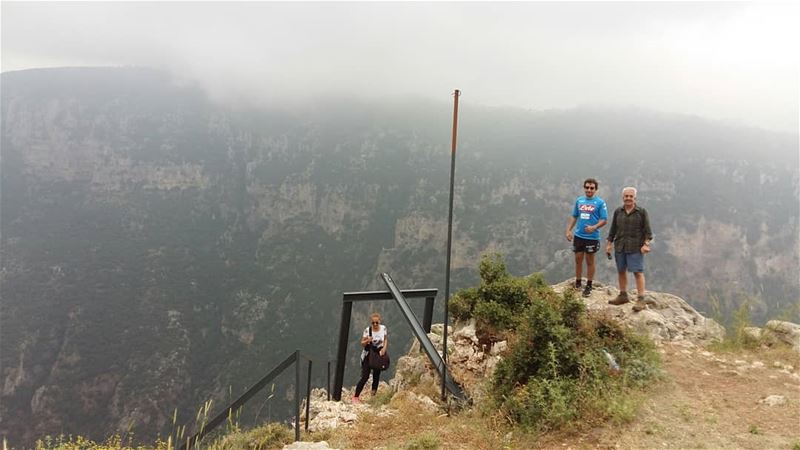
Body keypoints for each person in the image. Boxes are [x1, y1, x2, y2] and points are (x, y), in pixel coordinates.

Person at [606, 187, 655, 312]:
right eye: (626, 196)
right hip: (620, 246)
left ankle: (641, 298)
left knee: (638, 272)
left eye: (630, 196)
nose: (628, 198)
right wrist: (609, 244)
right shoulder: (618, 212)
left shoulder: (642, 212)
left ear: (635, 198)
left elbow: (648, 232)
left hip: (635, 248)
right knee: (621, 271)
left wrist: (646, 244)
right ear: (623, 197)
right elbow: (613, 230)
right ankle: (623, 295)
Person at [565, 178, 608, 297]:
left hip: (592, 237)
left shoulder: (600, 203)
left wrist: (594, 227)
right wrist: (568, 230)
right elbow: (574, 216)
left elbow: (604, 220)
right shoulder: (579, 200)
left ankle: (589, 285)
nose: (589, 190)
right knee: (578, 259)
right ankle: (578, 283)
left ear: (596, 189)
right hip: (579, 236)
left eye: (592, 188)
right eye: (587, 187)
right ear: (584, 188)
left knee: (590, 261)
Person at [352, 312, 388, 403]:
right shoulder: (368, 330)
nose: (375, 324)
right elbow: (362, 343)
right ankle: (356, 397)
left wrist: (384, 348)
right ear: (371, 323)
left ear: (380, 321)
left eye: (377, 322)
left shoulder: (383, 328)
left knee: (376, 376)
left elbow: (385, 339)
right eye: (373, 323)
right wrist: (368, 340)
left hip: (378, 354)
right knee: (365, 376)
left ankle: (373, 397)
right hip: (368, 354)